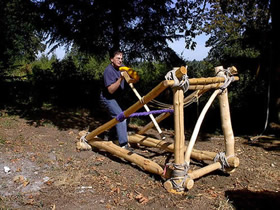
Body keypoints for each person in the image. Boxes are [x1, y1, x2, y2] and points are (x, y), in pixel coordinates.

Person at [99, 50, 130, 150]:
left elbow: (130, 77)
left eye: (121, 58)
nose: (120, 60)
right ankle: (124, 145)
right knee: (120, 117)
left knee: (127, 114)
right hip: (108, 98)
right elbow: (111, 90)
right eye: (118, 58)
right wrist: (121, 79)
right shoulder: (108, 71)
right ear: (112, 59)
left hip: (118, 97)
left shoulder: (122, 67)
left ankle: (111, 135)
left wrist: (132, 76)